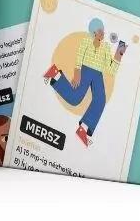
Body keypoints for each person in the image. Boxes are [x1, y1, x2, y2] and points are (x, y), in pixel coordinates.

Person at [43, 18, 126, 147]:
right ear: (94, 32)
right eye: (100, 31)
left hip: (98, 75)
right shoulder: (86, 42)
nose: (103, 33)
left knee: (100, 100)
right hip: (86, 70)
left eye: (103, 31)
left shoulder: (105, 47)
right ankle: (55, 74)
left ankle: (84, 129)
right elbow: (79, 57)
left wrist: (119, 55)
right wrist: (77, 72)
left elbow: (110, 70)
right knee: (75, 98)